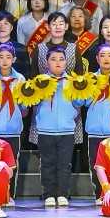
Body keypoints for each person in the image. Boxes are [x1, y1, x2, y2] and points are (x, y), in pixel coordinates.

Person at [80, 44, 110, 201]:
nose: (106, 59)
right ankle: (100, 194)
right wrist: (87, 89)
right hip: (94, 130)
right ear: (97, 59)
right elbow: (83, 103)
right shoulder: (90, 79)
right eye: (103, 55)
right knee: (96, 164)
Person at [36, 47, 77, 207]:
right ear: (47, 62)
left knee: (64, 165)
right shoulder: (40, 81)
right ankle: (49, 194)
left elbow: (80, 102)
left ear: (66, 62)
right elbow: (32, 101)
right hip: (45, 130)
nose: (57, 62)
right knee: (47, 164)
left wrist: (81, 92)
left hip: (67, 130)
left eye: (61, 59)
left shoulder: (73, 81)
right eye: (53, 59)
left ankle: (62, 194)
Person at [0, 44, 27, 199]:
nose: (4, 61)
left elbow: (24, 105)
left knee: (11, 164)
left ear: (14, 59)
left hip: (13, 129)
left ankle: (8, 195)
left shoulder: (20, 79)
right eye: (1, 57)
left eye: (8, 57)